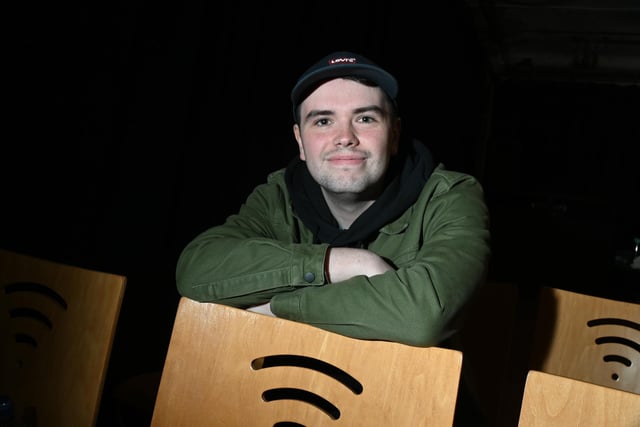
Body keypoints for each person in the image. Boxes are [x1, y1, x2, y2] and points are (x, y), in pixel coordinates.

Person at [175, 51, 491, 347]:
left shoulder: (449, 196)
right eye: (323, 121)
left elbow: (424, 316)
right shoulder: (279, 197)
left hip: (408, 397)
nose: (344, 137)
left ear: (394, 136)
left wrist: (276, 309)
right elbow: (196, 271)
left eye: (365, 118)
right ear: (300, 142)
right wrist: (341, 263)